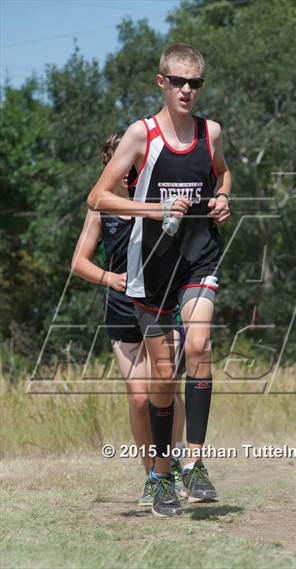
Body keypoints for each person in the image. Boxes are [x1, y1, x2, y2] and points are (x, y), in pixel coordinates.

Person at [87, 43, 231, 518]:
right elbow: (98, 197)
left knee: (201, 346)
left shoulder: (210, 133)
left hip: (197, 256)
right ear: (161, 82)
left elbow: (223, 175)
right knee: (163, 378)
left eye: (196, 83)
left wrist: (222, 200)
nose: (187, 90)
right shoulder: (140, 135)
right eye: (179, 82)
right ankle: (160, 474)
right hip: (149, 265)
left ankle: (193, 461)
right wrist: (155, 209)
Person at [72, 130, 186, 506]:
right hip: (122, 308)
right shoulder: (100, 211)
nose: (124, 171)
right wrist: (110, 278)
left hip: (159, 303)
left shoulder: (156, 200)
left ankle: (170, 462)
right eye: (117, 162)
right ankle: (152, 473)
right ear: (109, 164)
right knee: (139, 399)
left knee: (165, 388)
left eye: (130, 162)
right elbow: (79, 263)